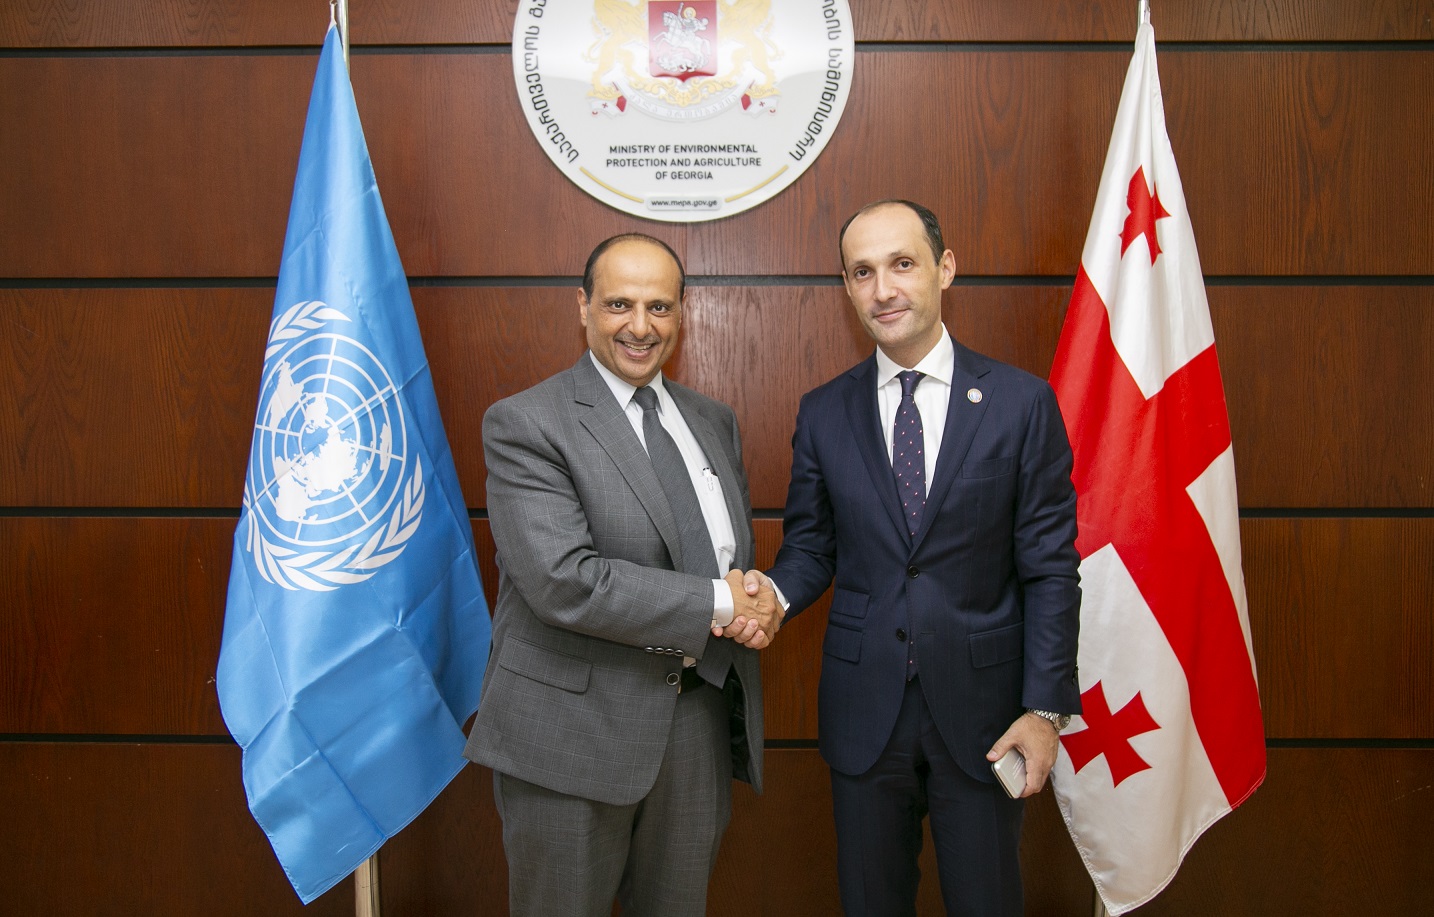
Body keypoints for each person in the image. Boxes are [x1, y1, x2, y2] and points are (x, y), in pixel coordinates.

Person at [759, 200, 1081, 915]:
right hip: (863, 711)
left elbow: (1050, 567)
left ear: (945, 268)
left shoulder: (1022, 403)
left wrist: (1045, 710)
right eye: (862, 272)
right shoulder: (823, 411)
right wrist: (770, 598)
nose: (883, 289)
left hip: (987, 715)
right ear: (847, 287)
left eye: (902, 264)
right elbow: (811, 546)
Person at [464, 232, 781, 917]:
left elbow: (724, 561)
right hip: (569, 739)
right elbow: (564, 581)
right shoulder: (527, 423)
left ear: (682, 312)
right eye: (619, 304)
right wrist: (723, 603)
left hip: (694, 727)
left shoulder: (713, 422)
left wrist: (755, 602)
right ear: (582, 307)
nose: (641, 326)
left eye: (659, 307)